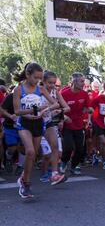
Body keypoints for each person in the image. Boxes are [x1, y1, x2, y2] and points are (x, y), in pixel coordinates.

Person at [13, 63, 59, 198]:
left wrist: (46, 109)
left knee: (33, 156)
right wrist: (34, 110)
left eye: (40, 78)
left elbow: (55, 103)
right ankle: (26, 184)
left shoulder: (41, 89)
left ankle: (23, 177)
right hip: (24, 124)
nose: (38, 81)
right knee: (30, 151)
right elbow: (17, 111)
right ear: (28, 75)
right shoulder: (18, 90)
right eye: (35, 78)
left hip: (38, 123)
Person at [40, 71, 70, 185]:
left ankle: (54, 174)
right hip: (36, 123)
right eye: (49, 82)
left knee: (56, 148)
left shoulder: (55, 92)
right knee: (44, 154)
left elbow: (66, 107)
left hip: (49, 122)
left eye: (54, 83)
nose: (52, 85)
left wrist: (59, 111)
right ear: (43, 81)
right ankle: (42, 173)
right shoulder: (38, 91)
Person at [60, 72, 91, 175]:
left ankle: (73, 166)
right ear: (74, 81)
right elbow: (58, 109)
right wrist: (63, 117)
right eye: (81, 81)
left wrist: (89, 110)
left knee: (80, 148)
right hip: (67, 125)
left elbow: (88, 107)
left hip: (79, 125)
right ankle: (64, 162)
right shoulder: (63, 93)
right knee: (68, 147)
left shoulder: (84, 94)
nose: (84, 83)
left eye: (84, 81)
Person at [90, 80, 105, 170]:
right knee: (103, 141)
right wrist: (89, 119)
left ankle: (96, 155)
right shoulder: (98, 98)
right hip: (98, 122)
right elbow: (90, 108)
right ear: (104, 89)